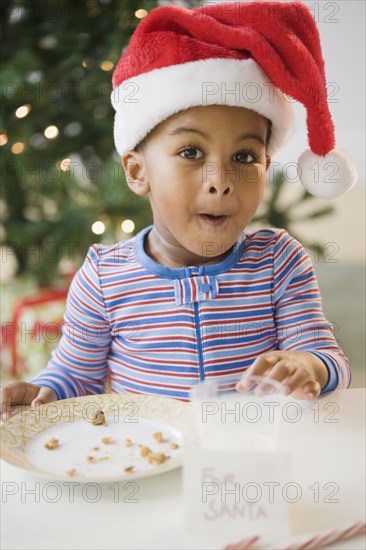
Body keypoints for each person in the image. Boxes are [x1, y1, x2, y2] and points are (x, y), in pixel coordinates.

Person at [0, 1, 357, 420]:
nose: (220, 179)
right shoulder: (103, 277)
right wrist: (44, 391)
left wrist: (307, 365)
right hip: (146, 463)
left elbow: (329, 358)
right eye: (190, 151)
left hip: (249, 463)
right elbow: (76, 375)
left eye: (244, 157)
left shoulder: (279, 262)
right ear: (137, 171)